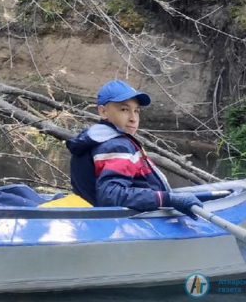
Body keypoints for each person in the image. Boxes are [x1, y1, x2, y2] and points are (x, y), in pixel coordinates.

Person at [66, 79, 203, 218]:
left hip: (93, 220)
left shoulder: (98, 138)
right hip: (118, 224)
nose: (133, 118)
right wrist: (168, 199)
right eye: (124, 109)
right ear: (103, 112)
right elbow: (111, 196)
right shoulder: (117, 146)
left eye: (136, 111)